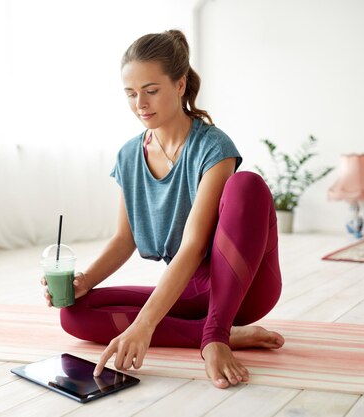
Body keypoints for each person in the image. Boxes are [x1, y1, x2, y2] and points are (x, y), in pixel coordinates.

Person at [41, 29, 284, 389]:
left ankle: (215, 335)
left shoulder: (213, 147)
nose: (140, 103)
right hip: (191, 287)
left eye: (151, 90)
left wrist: (145, 325)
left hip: (242, 285)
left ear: (180, 85)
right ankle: (215, 333)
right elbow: (125, 239)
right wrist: (84, 282)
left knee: (247, 184)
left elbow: (193, 246)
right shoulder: (128, 155)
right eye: (131, 93)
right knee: (73, 315)